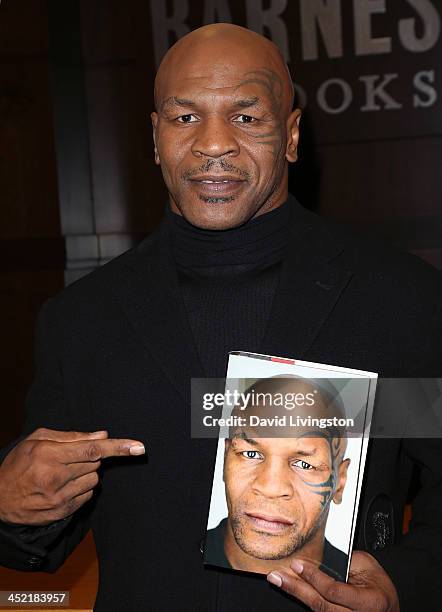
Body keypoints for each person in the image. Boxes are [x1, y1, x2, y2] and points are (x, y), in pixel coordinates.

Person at [0, 22, 440, 612]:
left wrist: (404, 583)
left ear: (290, 135)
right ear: (155, 139)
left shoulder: (397, 299)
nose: (213, 142)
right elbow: (40, 538)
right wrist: (9, 502)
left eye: (246, 116)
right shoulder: (80, 321)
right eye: (185, 118)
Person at [205, 376, 350, 582]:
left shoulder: (360, 585)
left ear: (340, 482)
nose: (270, 487)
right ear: (225, 458)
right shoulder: (168, 554)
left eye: (304, 465)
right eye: (251, 454)